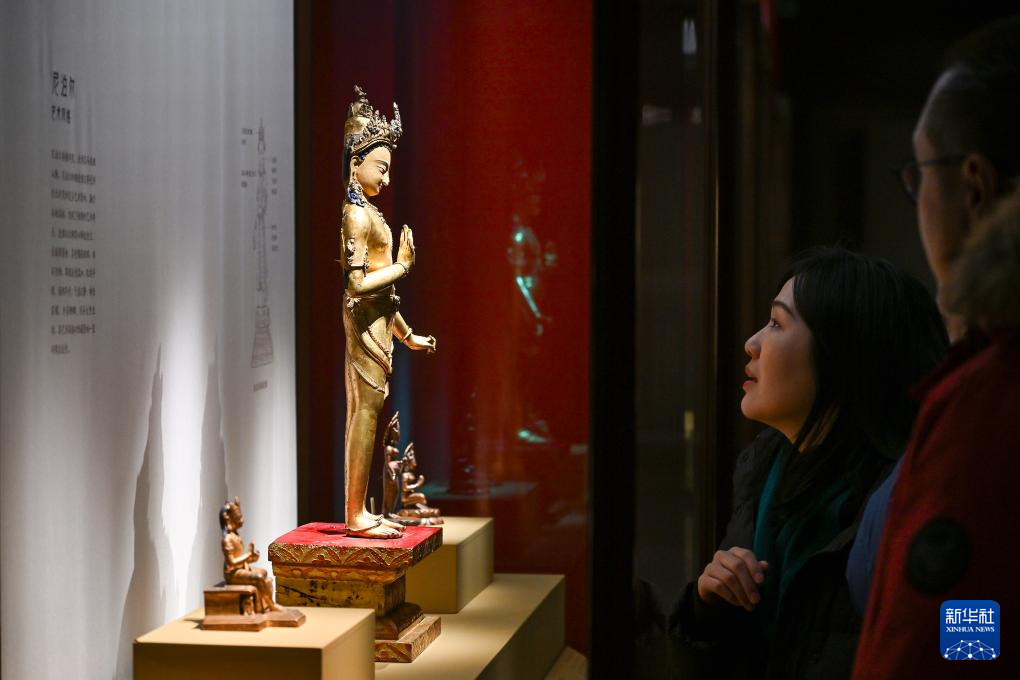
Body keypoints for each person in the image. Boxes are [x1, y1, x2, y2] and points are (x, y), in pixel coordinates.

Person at [671, 248, 947, 679]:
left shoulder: (917, 500)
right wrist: (706, 609)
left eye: (776, 323)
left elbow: (978, 649)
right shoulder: (763, 471)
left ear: (843, 356)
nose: (752, 343)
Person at [852, 18, 1020, 677]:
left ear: (973, 185)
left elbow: (954, 625)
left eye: (920, 173)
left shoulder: (991, 396)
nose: (917, 196)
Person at [340, 86, 437, 538]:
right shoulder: (357, 217)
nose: (387, 179)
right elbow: (357, 285)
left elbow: (384, 297)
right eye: (381, 168)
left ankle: (358, 511)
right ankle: (355, 515)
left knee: (369, 413)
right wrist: (402, 266)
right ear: (355, 164)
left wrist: (407, 334)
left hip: (378, 327)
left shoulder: (370, 214)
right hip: (364, 329)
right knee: (364, 414)